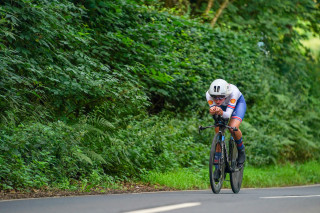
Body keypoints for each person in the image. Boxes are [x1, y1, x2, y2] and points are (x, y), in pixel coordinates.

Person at [206, 79, 246, 180]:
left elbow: (227, 115)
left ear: (226, 95)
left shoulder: (234, 93)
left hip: (237, 105)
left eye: (221, 97)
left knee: (233, 128)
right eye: (215, 98)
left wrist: (219, 111)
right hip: (222, 108)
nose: (217, 100)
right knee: (218, 130)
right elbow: (215, 113)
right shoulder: (208, 94)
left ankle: (241, 150)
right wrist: (214, 111)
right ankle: (217, 168)